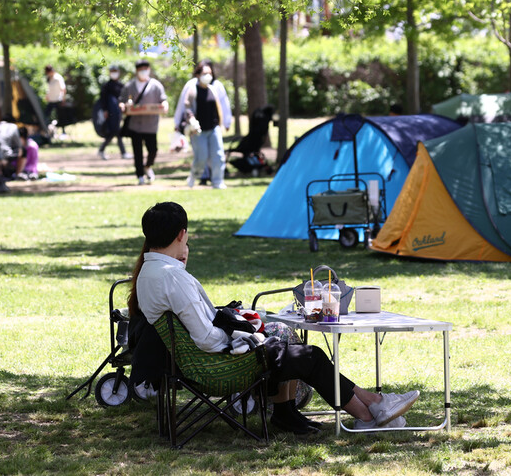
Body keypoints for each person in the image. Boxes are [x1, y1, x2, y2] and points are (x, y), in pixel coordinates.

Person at [129, 202, 419, 434]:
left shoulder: (148, 273)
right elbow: (206, 338)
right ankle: (369, 414)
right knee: (310, 356)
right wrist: (245, 338)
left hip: (196, 361)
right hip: (216, 365)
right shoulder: (172, 278)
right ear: (182, 234)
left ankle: (375, 407)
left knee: (293, 345)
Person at [173, 60, 232, 189]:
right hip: (198, 131)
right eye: (205, 73)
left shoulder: (213, 89)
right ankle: (194, 176)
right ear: (198, 74)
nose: (208, 76)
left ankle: (217, 181)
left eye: (210, 73)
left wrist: (225, 122)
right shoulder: (192, 89)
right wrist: (192, 120)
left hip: (213, 127)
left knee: (218, 155)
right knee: (201, 158)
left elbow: (221, 106)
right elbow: (187, 107)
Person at [120, 60, 168, 185]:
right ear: (136, 71)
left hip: (151, 124)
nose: (144, 71)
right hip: (135, 124)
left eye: (146, 69)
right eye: (141, 69)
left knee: (153, 149)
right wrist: (122, 106)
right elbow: (122, 100)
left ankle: (148, 166)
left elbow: (163, 99)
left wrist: (164, 106)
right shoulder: (129, 86)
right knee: (137, 151)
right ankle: (140, 175)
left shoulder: (156, 85)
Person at [96, 64, 130, 160]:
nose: (114, 73)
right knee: (115, 131)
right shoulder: (106, 86)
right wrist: (105, 110)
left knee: (115, 132)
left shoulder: (121, 86)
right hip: (110, 113)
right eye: (112, 71)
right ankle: (122, 152)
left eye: (116, 71)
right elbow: (103, 100)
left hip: (118, 113)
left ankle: (102, 150)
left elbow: (124, 98)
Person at [0, 114, 22, 179]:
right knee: (22, 151)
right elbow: (18, 144)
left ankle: (0, 170)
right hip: (5, 154)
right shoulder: (13, 126)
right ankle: (18, 174)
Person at [44, 65, 67, 131]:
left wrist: (63, 99)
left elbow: (63, 89)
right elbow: (49, 88)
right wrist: (47, 95)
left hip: (58, 100)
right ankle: (46, 129)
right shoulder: (49, 78)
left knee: (61, 117)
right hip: (51, 100)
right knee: (46, 114)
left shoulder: (58, 78)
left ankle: (63, 131)